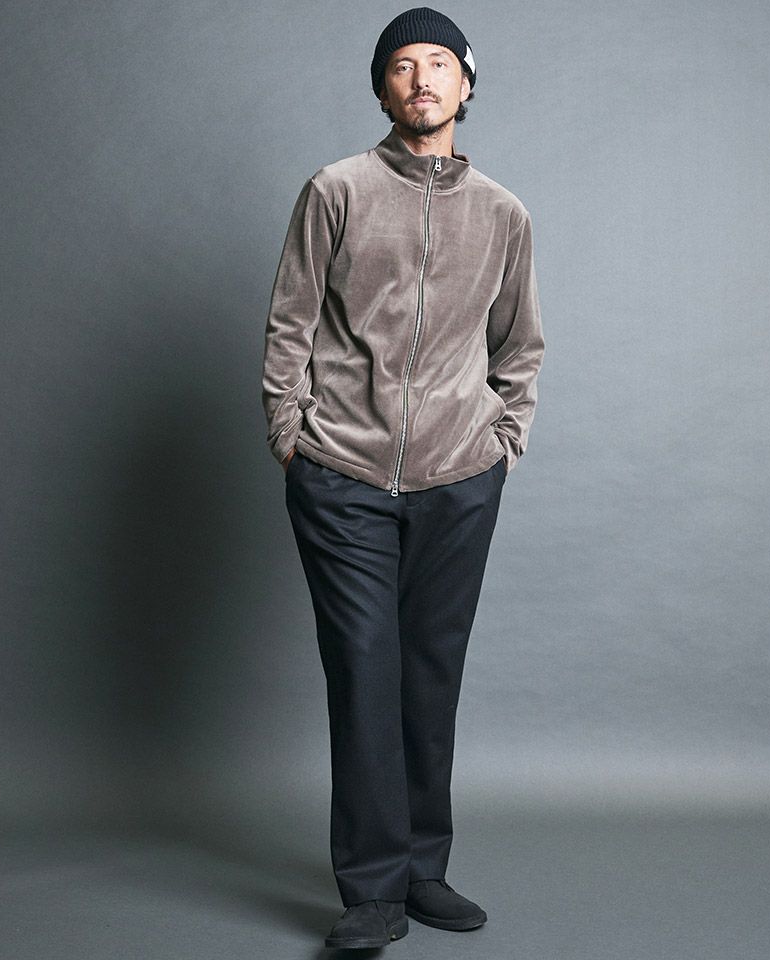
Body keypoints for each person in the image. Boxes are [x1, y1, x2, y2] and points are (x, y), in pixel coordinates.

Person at [261, 6, 544, 949]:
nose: (421, 79)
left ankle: (425, 869)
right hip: (340, 472)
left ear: (466, 82)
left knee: (430, 673)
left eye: (439, 63)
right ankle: (374, 888)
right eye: (401, 66)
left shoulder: (503, 213)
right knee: (363, 672)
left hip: (459, 477)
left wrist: (504, 441)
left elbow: (520, 346)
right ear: (383, 89)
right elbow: (291, 324)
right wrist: (291, 435)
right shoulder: (335, 190)